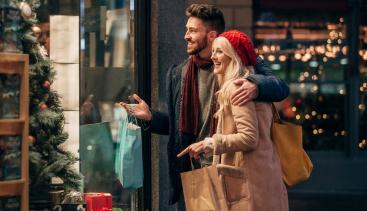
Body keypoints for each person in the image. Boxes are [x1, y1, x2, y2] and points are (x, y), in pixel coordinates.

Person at [119, 4, 289, 210]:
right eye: (186, 29)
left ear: (211, 35)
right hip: (195, 171)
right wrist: (151, 117)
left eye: (192, 30)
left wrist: (255, 85)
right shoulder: (179, 73)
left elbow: (280, 87)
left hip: (231, 170)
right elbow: (178, 127)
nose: (186, 36)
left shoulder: (240, 67)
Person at [177, 30, 288, 211]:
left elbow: (249, 137)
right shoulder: (251, 85)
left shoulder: (237, 87)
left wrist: (210, 143)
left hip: (248, 186)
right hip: (262, 179)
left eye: (219, 51)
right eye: (213, 51)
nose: (213, 57)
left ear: (234, 56)